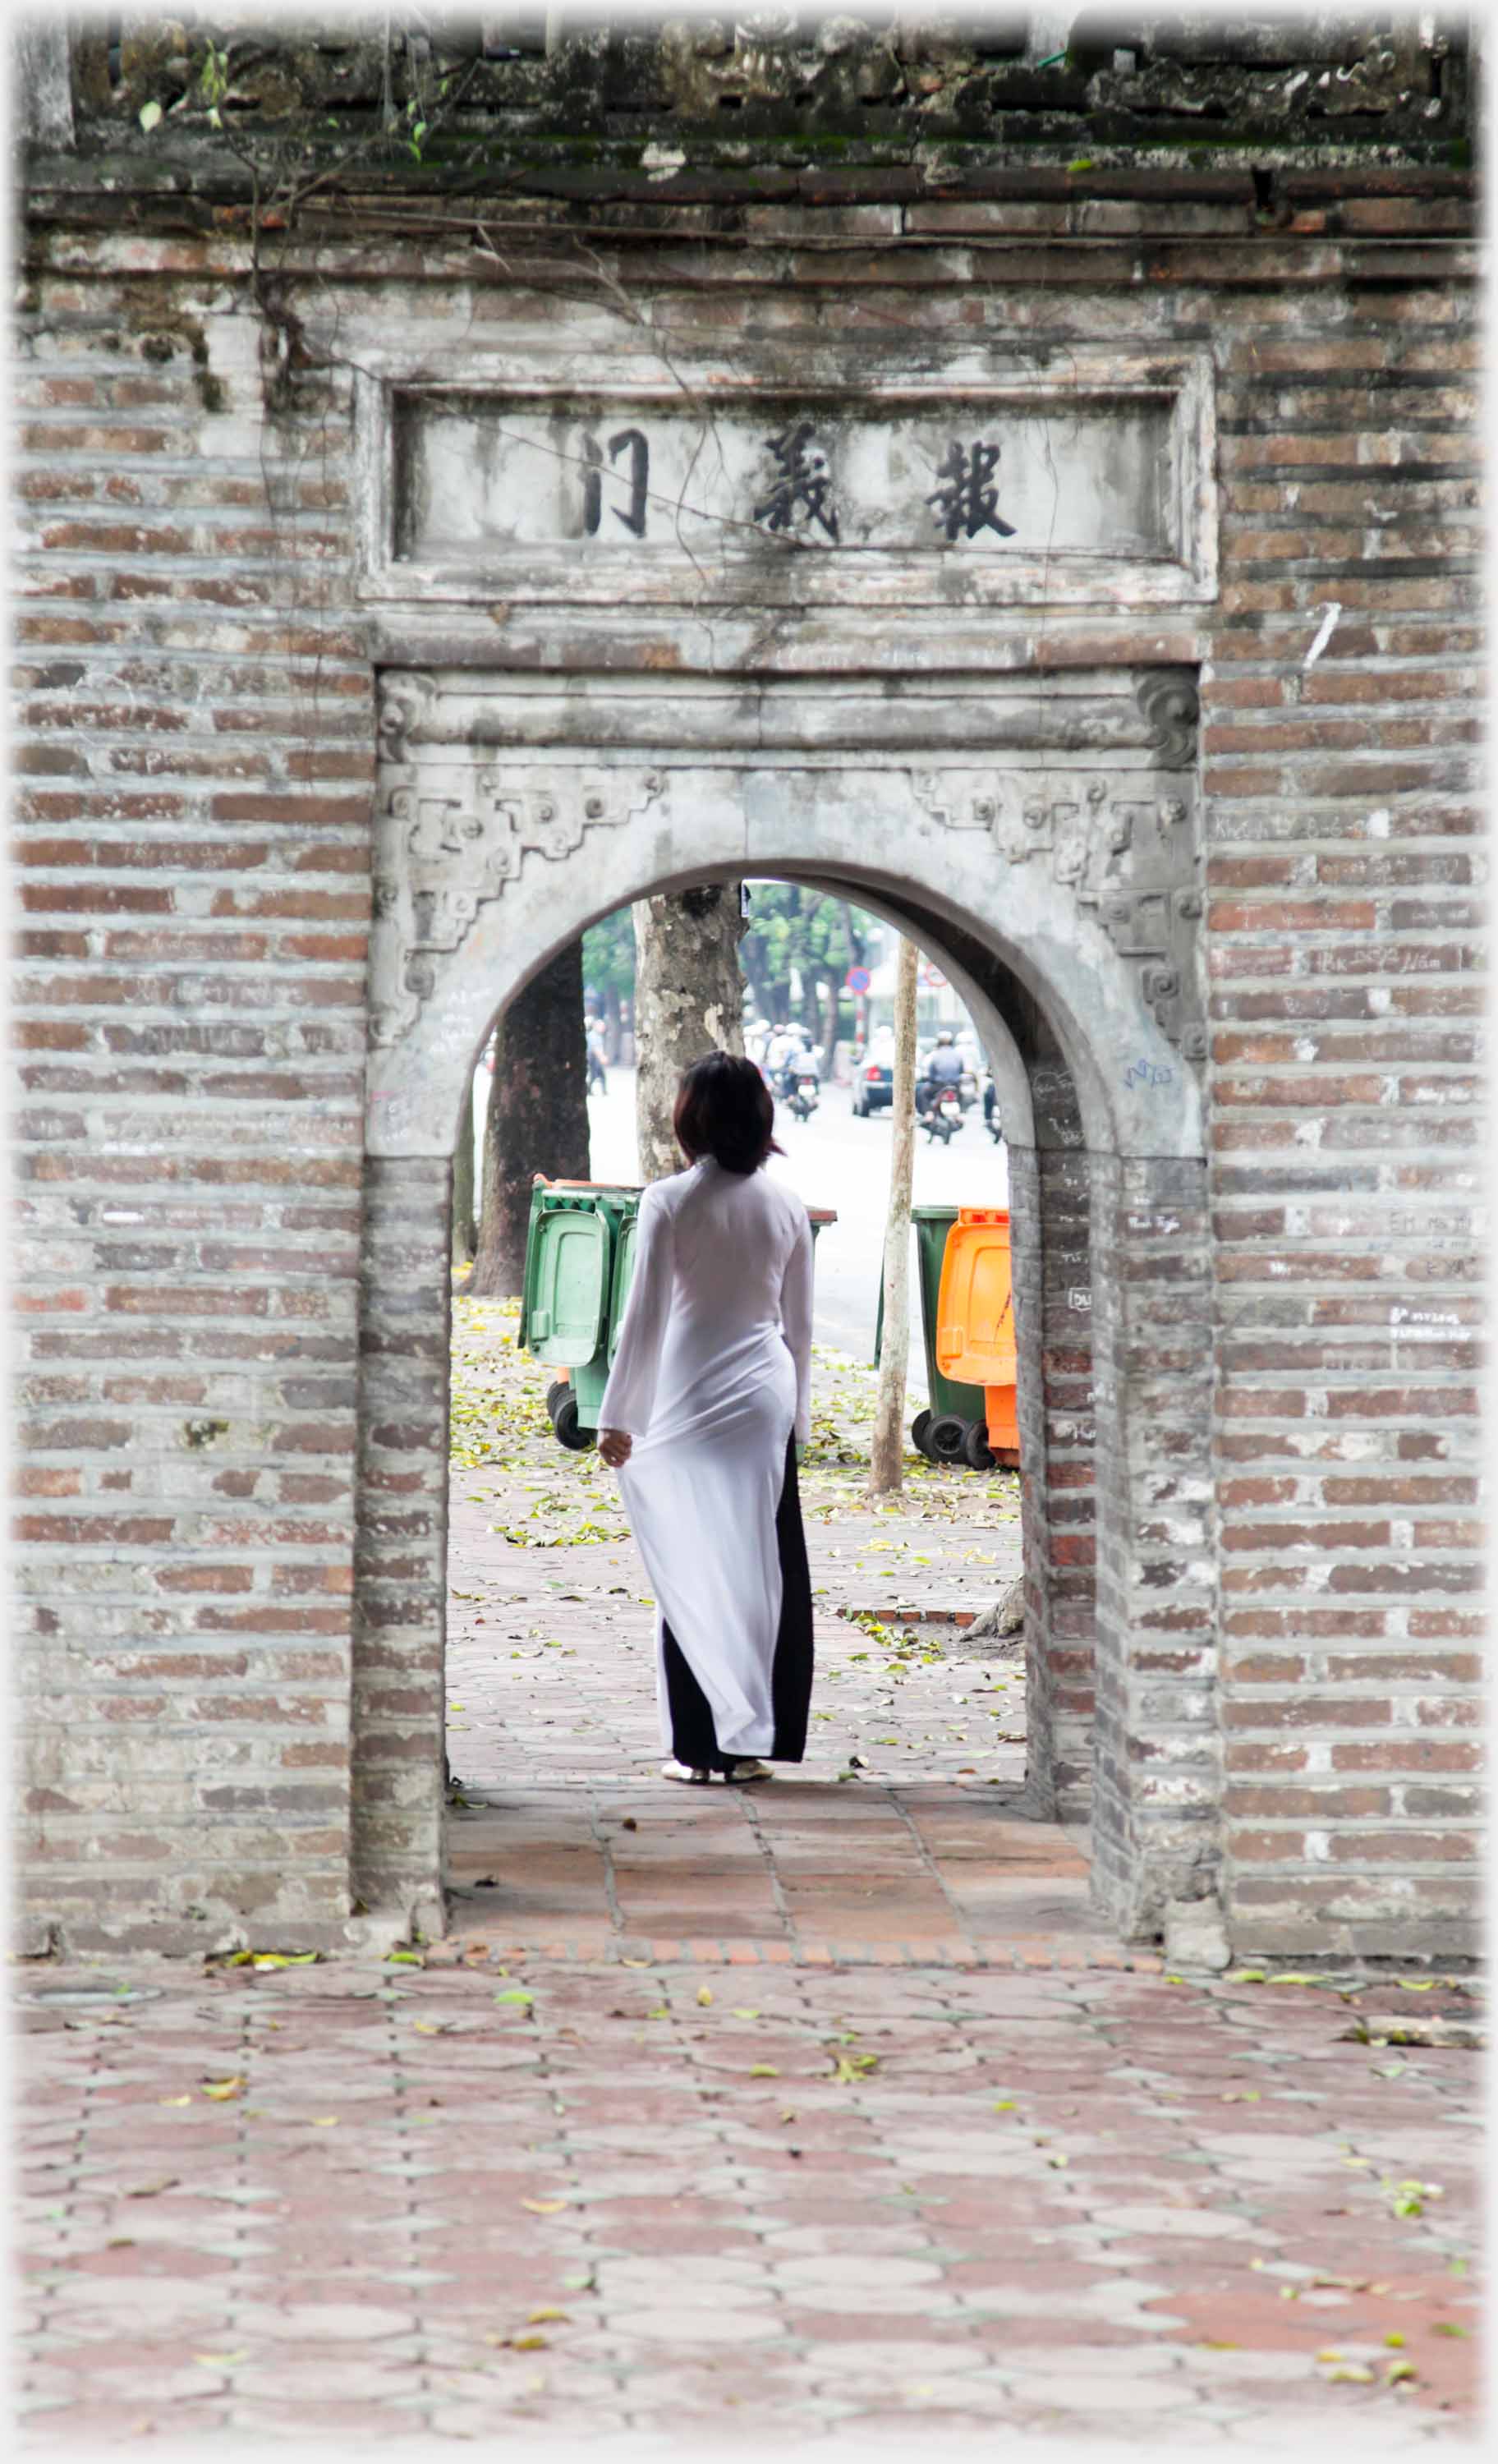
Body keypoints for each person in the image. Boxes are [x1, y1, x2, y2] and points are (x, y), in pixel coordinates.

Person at [596, 1052, 815, 1786]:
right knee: (760, 1566)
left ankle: (699, 1748)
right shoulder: (787, 1205)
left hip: (683, 1402)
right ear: (761, 1119)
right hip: (762, 1402)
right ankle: (753, 1742)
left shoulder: (670, 1201)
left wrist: (616, 1413)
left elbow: (645, 1316)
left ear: (689, 1119)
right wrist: (800, 1421)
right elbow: (800, 1329)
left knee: (689, 1566)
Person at [917, 1025, 965, 1115]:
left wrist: (929, 1078)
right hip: (955, 1085)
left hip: (939, 1085)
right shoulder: (957, 1054)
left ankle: (929, 1114)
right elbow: (962, 1071)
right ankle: (960, 1114)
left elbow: (931, 1073)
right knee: (961, 1095)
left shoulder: (935, 1054)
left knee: (923, 1093)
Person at [585, 1014, 608, 1094]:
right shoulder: (593, 1035)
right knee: (595, 1075)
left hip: (595, 1058)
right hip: (593, 1058)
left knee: (598, 1075)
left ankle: (603, 1090)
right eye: (601, 1026)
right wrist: (602, 1057)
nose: (603, 1028)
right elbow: (596, 1048)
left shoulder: (598, 1035)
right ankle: (589, 1090)